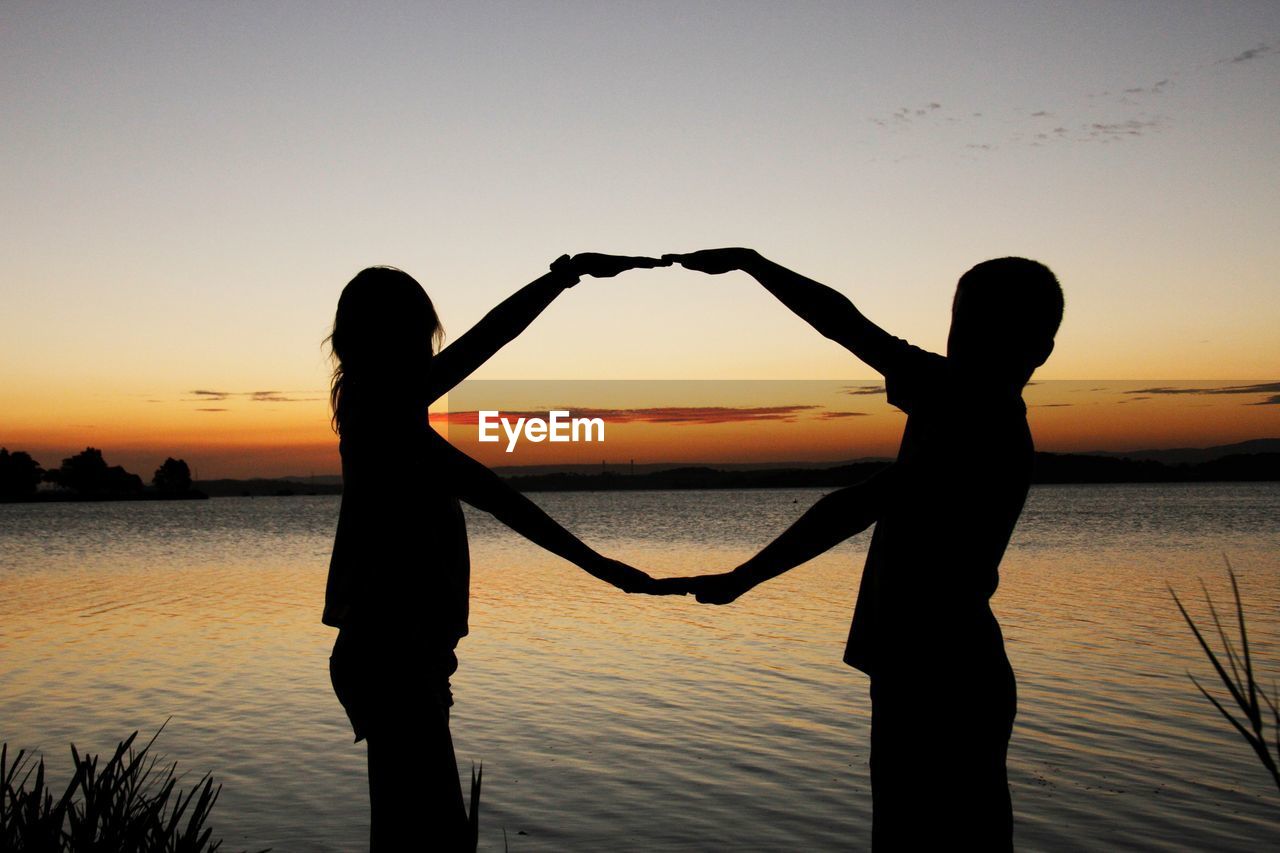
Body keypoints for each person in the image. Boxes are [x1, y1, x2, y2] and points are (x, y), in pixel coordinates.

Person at [661, 249, 1062, 851]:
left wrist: (743, 577)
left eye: (975, 325)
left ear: (1033, 348)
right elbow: (845, 324)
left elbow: (857, 500)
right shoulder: (964, 397)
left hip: (940, 672)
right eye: (959, 324)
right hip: (932, 664)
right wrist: (751, 264)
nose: (958, 340)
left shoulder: (975, 412)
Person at [323, 254, 671, 851]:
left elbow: (495, 483)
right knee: (432, 839)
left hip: (399, 652)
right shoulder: (382, 417)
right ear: (397, 340)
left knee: (411, 834)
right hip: (394, 653)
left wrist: (562, 279)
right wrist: (561, 278)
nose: (433, 351)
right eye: (421, 336)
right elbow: (498, 494)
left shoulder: (383, 417)